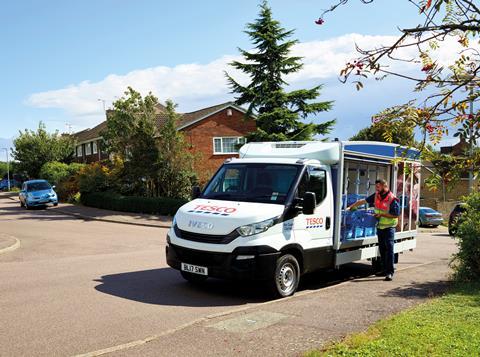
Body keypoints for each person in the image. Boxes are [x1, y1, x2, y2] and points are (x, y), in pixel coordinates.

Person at [347, 179, 400, 281]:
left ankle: (390, 272)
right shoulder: (376, 195)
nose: (376, 188)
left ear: (385, 186)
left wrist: (381, 214)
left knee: (389, 249)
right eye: (376, 186)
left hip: (389, 227)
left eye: (378, 187)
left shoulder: (392, 199)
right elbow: (364, 201)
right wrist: (351, 207)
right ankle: (384, 270)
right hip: (380, 226)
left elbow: (395, 214)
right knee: (382, 249)